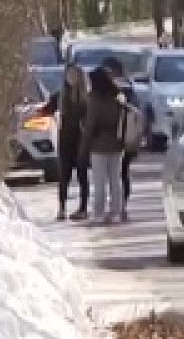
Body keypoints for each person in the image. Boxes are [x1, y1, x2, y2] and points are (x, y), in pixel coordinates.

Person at [37, 64, 90, 221]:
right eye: (68, 75)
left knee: (82, 175)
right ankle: (62, 208)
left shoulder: (87, 98)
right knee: (64, 175)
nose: (70, 78)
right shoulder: (60, 96)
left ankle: (83, 208)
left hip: (81, 140)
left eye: (73, 75)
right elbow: (47, 109)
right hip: (65, 138)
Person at [100, 56, 146, 223]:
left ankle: (116, 207)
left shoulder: (115, 89)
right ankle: (122, 207)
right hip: (127, 138)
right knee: (122, 173)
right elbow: (138, 115)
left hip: (113, 138)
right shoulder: (129, 88)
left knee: (112, 174)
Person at [81, 67, 128, 225]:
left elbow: (90, 126)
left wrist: (83, 148)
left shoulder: (94, 100)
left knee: (99, 181)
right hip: (116, 144)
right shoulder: (117, 98)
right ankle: (116, 211)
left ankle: (99, 213)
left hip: (98, 146)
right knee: (115, 179)